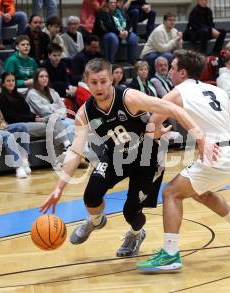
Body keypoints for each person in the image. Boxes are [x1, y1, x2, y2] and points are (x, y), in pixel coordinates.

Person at [39, 57, 208, 258]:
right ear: (86, 81)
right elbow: (75, 151)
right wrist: (59, 187)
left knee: (131, 211)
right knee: (91, 196)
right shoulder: (85, 112)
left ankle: (136, 234)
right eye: (94, 82)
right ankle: (95, 221)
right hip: (115, 156)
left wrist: (199, 137)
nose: (99, 87)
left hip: (147, 158)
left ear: (112, 79)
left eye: (103, 81)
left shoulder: (130, 98)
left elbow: (172, 108)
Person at [137, 49, 230, 271]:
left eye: (172, 67)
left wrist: (159, 132)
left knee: (170, 193)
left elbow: (152, 126)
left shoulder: (177, 93)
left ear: (182, 72)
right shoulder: (216, 90)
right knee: (199, 192)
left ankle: (170, 254)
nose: (169, 71)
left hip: (219, 155)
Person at [25, 68, 76, 153]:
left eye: (46, 76)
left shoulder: (52, 91)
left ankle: (78, 153)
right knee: (69, 127)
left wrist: (53, 108)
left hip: (59, 118)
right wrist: (56, 107)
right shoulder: (32, 94)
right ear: (36, 79)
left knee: (76, 124)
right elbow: (43, 112)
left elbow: (63, 109)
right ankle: (70, 151)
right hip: (44, 120)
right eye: (41, 76)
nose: (44, 78)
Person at [0, 72, 47, 139]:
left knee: (53, 120)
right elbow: (10, 117)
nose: (11, 83)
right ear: (3, 84)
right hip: (15, 125)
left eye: (13, 80)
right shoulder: (1, 98)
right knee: (48, 127)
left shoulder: (19, 96)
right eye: (8, 81)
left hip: (27, 121)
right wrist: (32, 118)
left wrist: (34, 117)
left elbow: (27, 111)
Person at [93, 0, 137, 65]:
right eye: (111, 2)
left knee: (133, 36)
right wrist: (118, 32)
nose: (113, 4)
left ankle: (132, 61)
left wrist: (126, 31)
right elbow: (106, 27)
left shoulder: (120, 11)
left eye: (114, 3)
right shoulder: (102, 13)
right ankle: (110, 62)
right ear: (107, 3)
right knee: (112, 36)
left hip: (121, 33)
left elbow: (128, 23)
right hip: (106, 35)